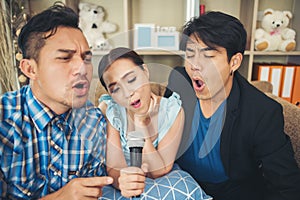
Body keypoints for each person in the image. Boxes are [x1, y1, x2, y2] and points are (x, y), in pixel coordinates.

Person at [164, 11, 300, 200]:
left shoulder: (262, 112)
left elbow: (286, 186)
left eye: (208, 56)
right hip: (179, 185)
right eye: (190, 55)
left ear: (234, 62)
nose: (195, 66)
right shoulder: (179, 81)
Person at [0, 3, 113, 199]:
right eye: (64, 58)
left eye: (86, 58)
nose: (82, 68)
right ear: (30, 69)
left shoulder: (95, 122)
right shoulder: (4, 120)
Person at [97, 47, 211, 199]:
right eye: (116, 89)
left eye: (131, 80)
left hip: (161, 179)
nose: (128, 93)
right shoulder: (112, 111)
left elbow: (160, 170)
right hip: (123, 183)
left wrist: (141, 126)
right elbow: (114, 167)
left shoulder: (172, 110)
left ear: (145, 71)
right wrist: (124, 183)